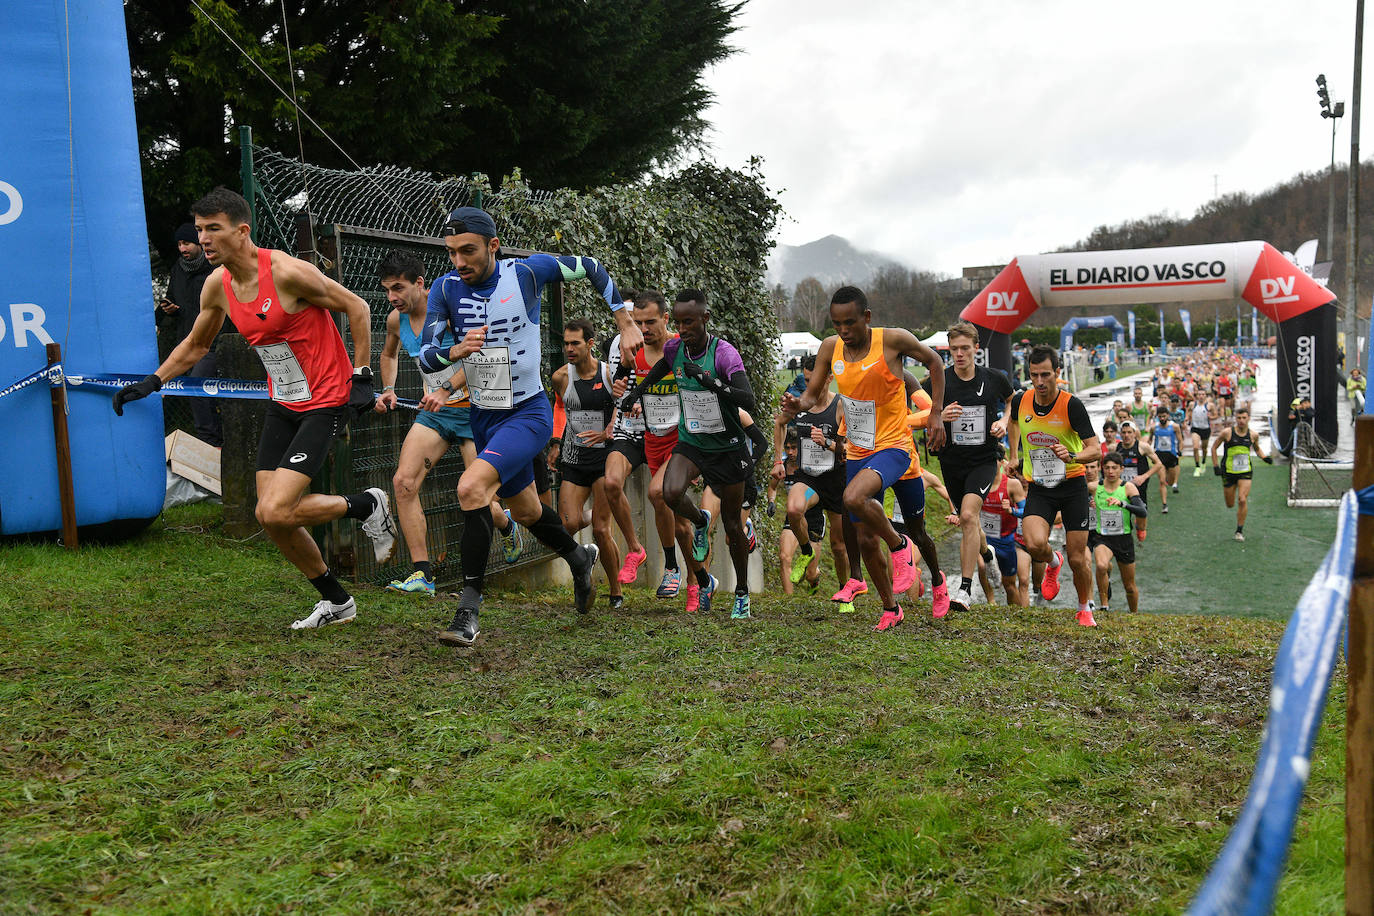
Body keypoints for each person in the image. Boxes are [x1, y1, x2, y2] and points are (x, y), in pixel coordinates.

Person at [114, 187, 395, 629]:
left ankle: (366, 504)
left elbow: (356, 307)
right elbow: (197, 343)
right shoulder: (218, 285)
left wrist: (361, 375)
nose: (204, 239)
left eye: (214, 229)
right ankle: (337, 602)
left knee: (274, 510)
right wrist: (153, 381)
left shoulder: (286, 272)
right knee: (273, 518)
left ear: (242, 231)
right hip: (283, 402)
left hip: (326, 400)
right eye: (201, 229)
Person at [419, 206, 643, 646]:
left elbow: (593, 268)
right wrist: (455, 351)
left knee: (471, 489)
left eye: (468, 251)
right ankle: (579, 559)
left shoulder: (526, 274)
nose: (459, 262)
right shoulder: (444, 290)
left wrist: (624, 316)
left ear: (493, 246)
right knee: (524, 511)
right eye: (452, 253)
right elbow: (426, 355)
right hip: (484, 416)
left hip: (529, 413)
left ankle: (468, 612)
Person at [785, 286, 948, 632]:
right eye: (837, 323)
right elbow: (812, 394)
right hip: (859, 450)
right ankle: (891, 608)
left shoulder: (892, 340)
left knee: (874, 509)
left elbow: (934, 362)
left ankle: (927, 571)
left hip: (895, 447)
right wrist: (796, 405)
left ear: (867, 318)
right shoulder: (830, 347)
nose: (843, 330)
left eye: (850, 323)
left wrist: (934, 414)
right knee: (864, 538)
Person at [373, 251, 519, 596]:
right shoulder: (397, 320)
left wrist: (446, 387)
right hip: (436, 413)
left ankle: (506, 524)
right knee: (403, 483)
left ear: (420, 284)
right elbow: (388, 354)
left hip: (477, 411)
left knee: (479, 496)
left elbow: (483, 358)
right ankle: (422, 575)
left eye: (398, 288)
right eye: (386, 290)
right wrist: (390, 389)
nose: (393, 298)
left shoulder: (451, 312)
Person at [619, 290, 758, 619]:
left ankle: (741, 592)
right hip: (692, 442)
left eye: (689, 322)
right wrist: (636, 392)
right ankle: (699, 521)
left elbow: (747, 399)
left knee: (733, 526)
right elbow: (661, 368)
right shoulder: (674, 348)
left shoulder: (724, 354)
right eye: (679, 322)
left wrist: (710, 382)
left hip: (727, 447)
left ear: (705, 319)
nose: (683, 329)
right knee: (669, 492)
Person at [604, 290, 701, 601]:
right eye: (638, 323)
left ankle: (672, 568)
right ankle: (696, 582)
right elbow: (621, 382)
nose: (644, 329)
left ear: (666, 319)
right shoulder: (635, 351)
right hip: (653, 440)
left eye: (650, 322)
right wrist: (622, 388)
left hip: (682, 440)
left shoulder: (681, 348)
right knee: (679, 523)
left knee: (656, 493)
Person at [1005, 344, 1102, 627]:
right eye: (1034, 375)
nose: (1040, 382)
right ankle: (1052, 562)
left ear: (1057, 373)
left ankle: (1084, 607)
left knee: (1078, 558)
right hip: (1040, 488)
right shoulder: (1022, 400)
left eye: (1045, 375)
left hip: (1072, 486)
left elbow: (1094, 449)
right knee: (1034, 544)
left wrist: (1072, 455)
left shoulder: (1071, 405)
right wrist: (1014, 456)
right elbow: (1012, 423)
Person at [924, 321, 1015, 614]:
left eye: (965, 348)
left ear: (977, 348)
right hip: (951, 462)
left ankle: (964, 589)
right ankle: (987, 554)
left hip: (983, 460)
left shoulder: (994, 378)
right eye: (954, 349)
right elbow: (918, 411)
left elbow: (1013, 400)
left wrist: (1003, 421)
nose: (960, 354)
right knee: (971, 520)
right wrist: (937, 414)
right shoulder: (938, 381)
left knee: (967, 515)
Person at [549, 319, 624, 610]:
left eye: (575, 343)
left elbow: (623, 402)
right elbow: (559, 406)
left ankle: (615, 591)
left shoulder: (607, 373)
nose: (569, 348)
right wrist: (556, 441)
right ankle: (589, 539)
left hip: (605, 458)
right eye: (566, 343)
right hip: (575, 457)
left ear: (590, 344)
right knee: (566, 524)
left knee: (603, 531)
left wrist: (610, 428)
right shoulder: (560, 377)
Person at [777, 354, 860, 608]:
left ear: (830, 378)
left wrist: (829, 443)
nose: (811, 387)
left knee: (839, 546)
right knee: (793, 509)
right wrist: (777, 461)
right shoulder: (800, 404)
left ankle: (846, 592)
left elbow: (854, 447)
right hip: (808, 478)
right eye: (807, 381)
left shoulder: (840, 406)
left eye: (817, 382)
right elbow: (779, 423)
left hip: (836, 480)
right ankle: (806, 551)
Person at [156, 221, 233, 446]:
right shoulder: (178, 269)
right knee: (183, 390)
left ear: (199, 243)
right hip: (186, 342)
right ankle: (204, 441)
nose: (183, 249)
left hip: (214, 343)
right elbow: (171, 298)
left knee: (197, 386)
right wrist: (167, 309)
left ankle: (213, 442)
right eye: (180, 244)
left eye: (187, 243)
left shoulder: (217, 270)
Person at [1089, 452, 1147, 614]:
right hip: (1103, 538)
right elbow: (1075, 494)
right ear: (1102, 469)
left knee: (1129, 586)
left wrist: (1123, 504)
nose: (1110, 471)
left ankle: (1134, 614)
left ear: (1122, 469)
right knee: (1101, 565)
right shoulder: (1095, 487)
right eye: (1107, 468)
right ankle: (1104, 605)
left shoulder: (1127, 488)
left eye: (1114, 468)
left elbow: (1142, 511)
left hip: (1124, 540)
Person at [1210, 405, 1271, 541]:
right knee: (1230, 504)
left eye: (1244, 418)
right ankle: (1231, 496)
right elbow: (1214, 448)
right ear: (1235, 419)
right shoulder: (1227, 433)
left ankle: (1239, 530)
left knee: (1242, 499)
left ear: (1248, 418)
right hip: (1228, 472)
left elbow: (1257, 449)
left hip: (1245, 471)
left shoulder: (1253, 435)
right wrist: (1215, 466)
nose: (1241, 420)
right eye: (1239, 418)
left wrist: (1265, 458)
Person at [1115, 421, 1160, 543]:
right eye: (1123, 432)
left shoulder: (1143, 447)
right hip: (1123, 488)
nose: (1126, 435)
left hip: (1139, 488)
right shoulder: (1116, 447)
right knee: (1122, 513)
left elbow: (1158, 464)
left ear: (1134, 433)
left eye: (1129, 432)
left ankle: (1141, 529)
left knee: (1141, 518)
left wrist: (1144, 477)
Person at [1147, 406, 1183, 511]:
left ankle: (1170, 481)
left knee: (1170, 482)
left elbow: (1180, 440)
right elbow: (1150, 440)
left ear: (1167, 415)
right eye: (1160, 416)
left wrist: (1179, 451)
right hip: (1159, 456)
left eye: (1164, 416)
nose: (1162, 418)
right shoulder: (1154, 428)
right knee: (1162, 481)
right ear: (1157, 417)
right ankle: (1164, 504)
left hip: (1171, 456)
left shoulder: (1175, 427)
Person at [1188, 395, 1212, 476]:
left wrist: (1211, 416)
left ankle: (1203, 462)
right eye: (1199, 394)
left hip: (1205, 429)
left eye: (1203, 394)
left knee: (1204, 448)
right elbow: (1188, 411)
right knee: (1195, 447)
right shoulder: (1192, 404)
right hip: (1195, 429)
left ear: (1205, 396)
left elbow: (1216, 415)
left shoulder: (1209, 405)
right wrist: (1187, 417)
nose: (1201, 396)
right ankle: (1197, 467)